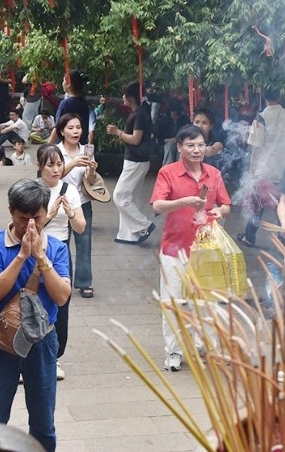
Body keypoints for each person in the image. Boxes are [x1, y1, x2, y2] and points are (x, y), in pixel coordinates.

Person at [0, 179, 71, 452]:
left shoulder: (56, 248)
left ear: (46, 214)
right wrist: (21, 256)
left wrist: (41, 258)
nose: (30, 225)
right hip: (2, 340)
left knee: (43, 423)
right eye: (23, 219)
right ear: (11, 212)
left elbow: (61, 296)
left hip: (42, 342)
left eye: (38, 218)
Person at [150, 124, 231, 371]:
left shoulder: (214, 174)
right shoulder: (168, 173)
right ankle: (173, 352)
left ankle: (207, 348)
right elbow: (157, 205)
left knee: (209, 302)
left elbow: (226, 204)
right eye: (190, 145)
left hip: (207, 250)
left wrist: (219, 210)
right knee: (173, 302)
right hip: (175, 247)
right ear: (180, 147)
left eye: (200, 145)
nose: (196, 150)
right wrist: (183, 202)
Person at [38, 144, 86, 380]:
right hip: (36, 248)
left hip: (60, 249)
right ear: (40, 167)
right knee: (33, 300)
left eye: (59, 164)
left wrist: (69, 213)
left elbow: (80, 227)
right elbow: (24, 226)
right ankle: (28, 355)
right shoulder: (33, 190)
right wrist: (47, 216)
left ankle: (55, 356)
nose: (56, 169)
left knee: (61, 303)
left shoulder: (70, 190)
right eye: (50, 165)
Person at [237, 88, 285, 247]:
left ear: (264, 97)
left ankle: (249, 237)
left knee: (257, 205)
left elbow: (256, 148)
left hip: (266, 169)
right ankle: (283, 240)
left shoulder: (261, 118)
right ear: (280, 95)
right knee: (283, 205)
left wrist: (252, 174)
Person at [55, 113, 98, 299]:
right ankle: (62, 280)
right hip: (60, 203)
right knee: (61, 242)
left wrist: (92, 171)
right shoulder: (54, 151)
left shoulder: (87, 150)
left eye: (78, 127)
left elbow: (89, 181)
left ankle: (84, 282)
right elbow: (52, 175)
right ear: (62, 131)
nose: (75, 131)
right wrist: (73, 163)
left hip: (82, 203)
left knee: (84, 243)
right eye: (71, 128)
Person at [108, 80, 156, 245]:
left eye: (125, 95)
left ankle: (144, 225)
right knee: (130, 198)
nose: (122, 97)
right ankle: (128, 235)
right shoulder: (139, 112)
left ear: (130, 97)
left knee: (120, 196)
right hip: (136, 159)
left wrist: (117, 132)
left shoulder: (140, 114)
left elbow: (135, 139)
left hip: (136, 160)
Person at [50, 69, 90, 144]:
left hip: (66, 146)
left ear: (69, 85)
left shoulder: (65, 104)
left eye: (64, 81)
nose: (62, 83)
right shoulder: (84, 103)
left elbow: (57, 128)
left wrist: (47, 146)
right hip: (79, 145)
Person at [156, 98, 189, 166]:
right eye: (174, 114)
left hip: (181, 144)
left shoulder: (185, 120)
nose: (176, 117)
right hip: (166, 145)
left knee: (182, 148)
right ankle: (167, 169)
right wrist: (171, 140)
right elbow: (158, 139)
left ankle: (181, 167)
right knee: (170, 146)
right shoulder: (163, 121)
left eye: (178, 115)